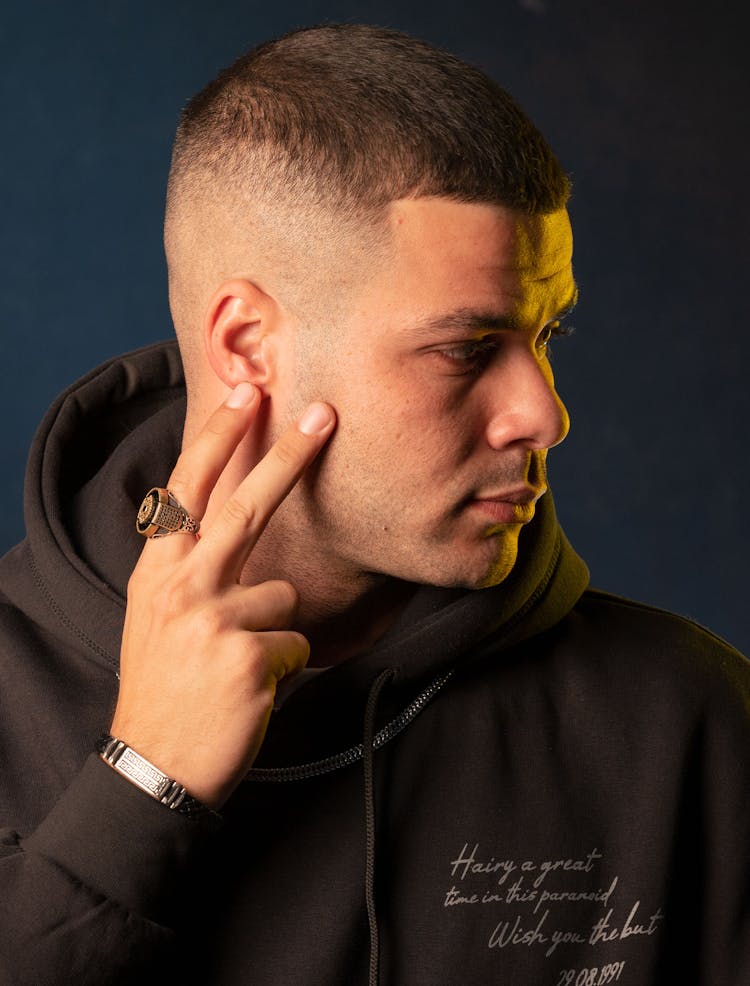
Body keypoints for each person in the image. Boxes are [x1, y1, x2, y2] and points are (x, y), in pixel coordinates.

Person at [0, 23, 747, 986]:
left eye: (546, 333)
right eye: (466, 348)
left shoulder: (686, 719)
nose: (544, 415)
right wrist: (143, 783)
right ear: (247, 347)